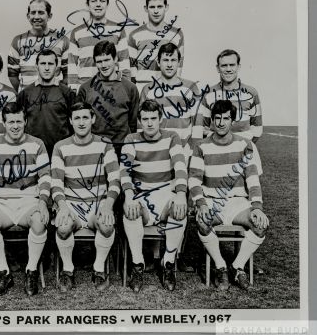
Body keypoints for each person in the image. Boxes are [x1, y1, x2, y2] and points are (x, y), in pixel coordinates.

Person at [189, 100, 268, 291]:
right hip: (211, 202)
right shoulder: (201, 146)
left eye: (226, 118)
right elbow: (194, 180)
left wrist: (257, 207)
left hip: (237, 203)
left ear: (232, 120)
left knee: (260, 225)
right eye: (217, 118)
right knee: (202, 221)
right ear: (212, 121)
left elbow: (252, 179)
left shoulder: (244, 144)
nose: (221, 122)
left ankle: (236, 267)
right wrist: (202, 204)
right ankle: (221, 267)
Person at [0, 102, 51, 297]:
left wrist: (43, 202)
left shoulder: (37, 144)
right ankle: (4, 272)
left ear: (25, 121)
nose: (15, 126)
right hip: (2, 202)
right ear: (4, 123)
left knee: (39, 220)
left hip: (30, 200)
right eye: (10, 122)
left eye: (19, 121)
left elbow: (45, 177)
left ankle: (31, 270)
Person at [51, 102, 120, 292]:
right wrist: (62, 207)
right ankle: (68, 270)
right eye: (77, 118)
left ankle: (98, 270)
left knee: (106, 225)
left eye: (85, 118)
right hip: (71, 205)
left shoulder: (104, 145)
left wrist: (107, 205)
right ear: (71, 121)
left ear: (93, 119)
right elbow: (56, 184)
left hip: (96, 205)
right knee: (63, 227)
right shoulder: (60, 147)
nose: (81, 122)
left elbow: (115, 180)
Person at [120, 100, 188, 292]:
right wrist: (129, 195)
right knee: (130, 210)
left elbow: (180, 167)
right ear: (140, 121)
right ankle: (138, 264)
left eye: (153, 119)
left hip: (166, 192)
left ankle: (168, 263)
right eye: (145, 119)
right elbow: (124, 170)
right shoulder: (131, 138)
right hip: (142, 194)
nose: (149, 123)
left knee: (179, 208)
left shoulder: (172, 137)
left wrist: (181, 194)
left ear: (160, 119)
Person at [195, 49, 263, 173]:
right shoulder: (209, 94)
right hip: (216, 152)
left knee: (246, 189)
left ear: (238, 66)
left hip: (243, 152)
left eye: (232, 65)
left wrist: (241, 145)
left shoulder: (251, 93)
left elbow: (257, 128)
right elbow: (203, 127)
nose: (228, 69)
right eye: (224, 65)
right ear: (217, 68)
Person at [139, 42, 202, 159]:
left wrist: (194, 151)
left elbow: (197, 123)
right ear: (158, 62)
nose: (169, 64)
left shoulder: (190, 87)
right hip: (157, 150)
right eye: (165, 60)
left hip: (185, 150)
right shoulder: (148, 89)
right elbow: (141, 124)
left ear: (179, 62)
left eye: (173, 60)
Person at [77, 40, 139, 157]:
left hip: (122, 148)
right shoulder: (85, 88)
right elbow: (81, 121)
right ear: (95, 62)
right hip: (95, 148)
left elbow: (133, 123)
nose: (104, 65)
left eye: (107, 60)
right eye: (99, 61)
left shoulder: (130, 88)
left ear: (115, 59)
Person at [68, 0, 131, 92]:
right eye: (93, 1)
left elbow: (124, 62)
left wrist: (125, 88)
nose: (98, 4)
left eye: (102, 1)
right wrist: (73, 90)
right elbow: (72, 65)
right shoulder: (77, 32)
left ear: (107, 5)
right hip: (85, 88)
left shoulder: (118, 29)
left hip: (112, 88)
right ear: (87, 5)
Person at [17, 49, 76, 157]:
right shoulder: (25, 94)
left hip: (61, 152)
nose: (47, 68)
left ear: (57, 67)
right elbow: (19, 125)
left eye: (51, 64)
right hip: (33, 152)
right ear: (36, 66)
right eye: (43, 63)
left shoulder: (67, 93)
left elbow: (74, 125)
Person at [8, 0, 69, 92]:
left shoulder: (62, 40)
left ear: (49, 16)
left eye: (41, 12)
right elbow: (12, 75)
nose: (36, 17)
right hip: (28, 101)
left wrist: (57, 93)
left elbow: (68, 74)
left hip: (54, 100)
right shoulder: (18, 41)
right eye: (33, 13)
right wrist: (25, 93)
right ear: (28, 16)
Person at [128, 0, 185, 93]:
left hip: (167, 88)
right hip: (143, 89)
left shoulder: (176, 34)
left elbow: (179, 66)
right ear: (146, 8)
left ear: (166, 7)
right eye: (152, 7)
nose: (156, 11)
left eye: (159, 6)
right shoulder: (135, 35)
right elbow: (132, 68)